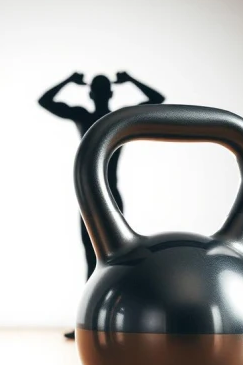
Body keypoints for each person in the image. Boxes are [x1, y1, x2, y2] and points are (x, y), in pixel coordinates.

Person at [39, 71, 165, 339]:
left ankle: (101, 321)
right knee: (105, 260)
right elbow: (156, 99)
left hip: (96, 198)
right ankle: (93, 322)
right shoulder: (115, 118)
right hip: (98, 198)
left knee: (103, 260)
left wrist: (69, 80)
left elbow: (46, 100)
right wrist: (130, 80)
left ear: (93, 93)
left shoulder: (94, 117)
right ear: (109, 93)